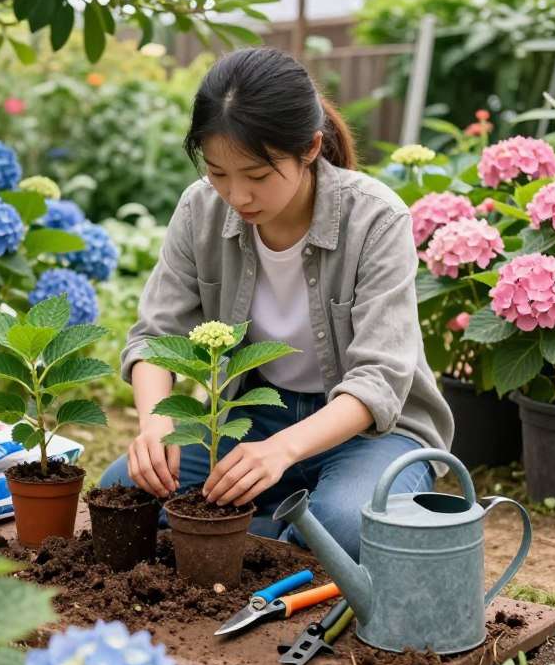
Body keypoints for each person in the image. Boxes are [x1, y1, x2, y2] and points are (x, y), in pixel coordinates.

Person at [100, 47, 454, 561]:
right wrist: (156, 424)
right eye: (218, 173)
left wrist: (283, 450)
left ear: (310, 148)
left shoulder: (376, 219)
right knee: (126, 494)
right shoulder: (200, 209)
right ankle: (279, 531)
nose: (237, 195)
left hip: (372, 432)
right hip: (256, 415)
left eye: (258, 175)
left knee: (344, 528)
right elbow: (157, 335)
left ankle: (269, 529)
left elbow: (379, 380)